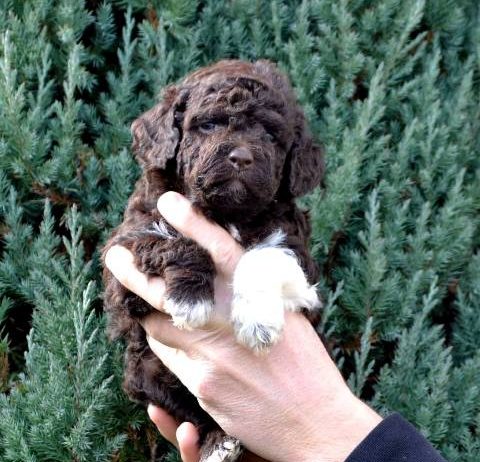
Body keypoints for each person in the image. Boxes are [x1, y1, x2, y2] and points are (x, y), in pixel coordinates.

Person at [105, 192, 447, 462]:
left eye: (269, 135)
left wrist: (325, 426)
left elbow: (301, 285)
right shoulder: (157, 209)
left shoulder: (279, 225)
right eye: (207, 125)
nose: (241, 151)